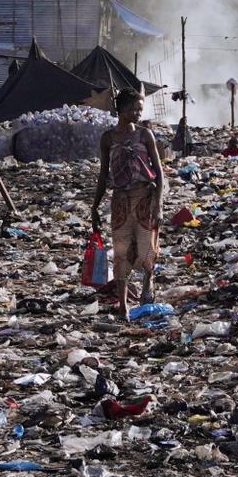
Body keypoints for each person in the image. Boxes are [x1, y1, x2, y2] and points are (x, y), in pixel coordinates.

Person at [91, 89, 166, 313]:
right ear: (120, 110)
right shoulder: (108, 138)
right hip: (120, 201)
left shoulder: (145, 136)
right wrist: (94, 208)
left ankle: (148, 280)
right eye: (133, 109)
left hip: (145, 198)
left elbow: (159, 173)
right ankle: (123, 306)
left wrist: (158, 206)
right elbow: (103, 175)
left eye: (140, 109)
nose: (137, 113)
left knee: (145, 251)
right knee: (122, 253)